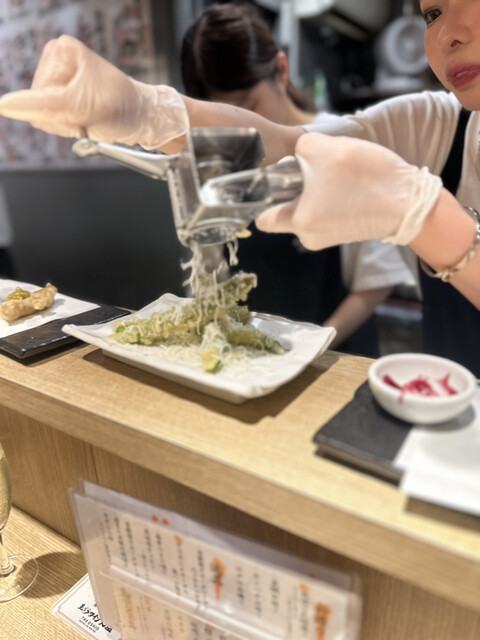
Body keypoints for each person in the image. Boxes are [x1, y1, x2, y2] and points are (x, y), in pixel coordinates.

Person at [0, 0, 478, 369]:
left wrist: (424, 216)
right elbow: (287, 143)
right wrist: (146, 111)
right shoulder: (436, 122)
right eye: (433, 12)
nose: (449, 34)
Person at [179, 2, 413, 359]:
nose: (240, 128)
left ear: (282, 71)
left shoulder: (343, 144)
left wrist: (307, 351)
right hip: (251, 360)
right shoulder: (221, 160)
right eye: (221, 119)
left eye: (248, 105)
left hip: (334, 358)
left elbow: (375, 283)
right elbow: (212, 268)